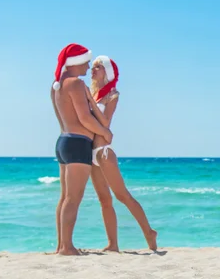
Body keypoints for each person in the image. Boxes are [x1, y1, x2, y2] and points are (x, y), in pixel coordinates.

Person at [85, 55, 158, 251]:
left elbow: (105, 123)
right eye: (93, 66)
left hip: (103, 152)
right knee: (104, 200)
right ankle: (112, 244)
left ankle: (149, 232)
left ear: (106, 72)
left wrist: (91, 104)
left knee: (122, 196)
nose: (93, 69)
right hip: (90, 153)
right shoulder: (92, 95)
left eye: (98, 67)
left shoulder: (112, 95)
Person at [50, 44, 113, 256]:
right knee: (73, 198)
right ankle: (67, 247)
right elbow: (85, 119)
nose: (88, 66)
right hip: (77, 144)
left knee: (65, 197)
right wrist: (105, 132)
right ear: (76, 62)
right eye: (86, 62)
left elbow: (62, 119)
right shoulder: (75, 83)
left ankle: (61, 245)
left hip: (63, 142)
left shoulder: (57, 85)